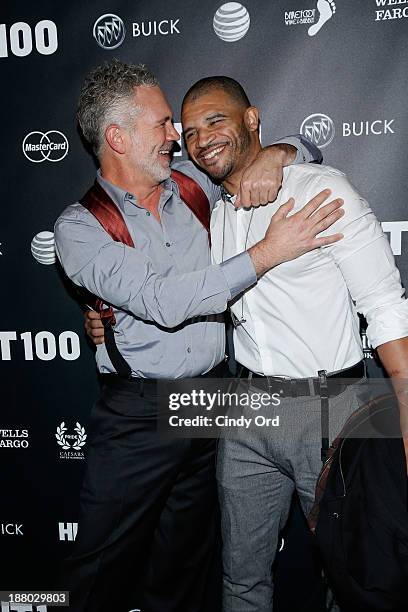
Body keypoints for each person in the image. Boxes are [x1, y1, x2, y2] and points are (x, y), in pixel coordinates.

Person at [89, 75, 408, 612]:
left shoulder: (318, 191)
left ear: (252, 119)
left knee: (351, 575)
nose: (200, 139)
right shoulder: (210, 210)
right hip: (246, 412)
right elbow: (170, 294)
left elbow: (383, 303)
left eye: (216, 121)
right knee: (240, 578)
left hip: (332, 412)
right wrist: (103, 318)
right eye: (188, 132)